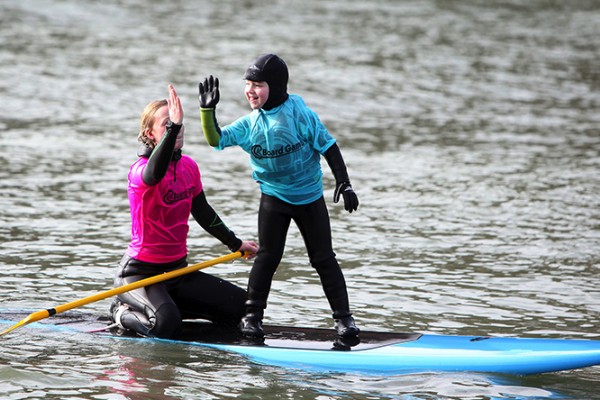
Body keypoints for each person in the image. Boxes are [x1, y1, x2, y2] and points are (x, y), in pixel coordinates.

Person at [198, 54, 360, 339]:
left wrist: (344, 183)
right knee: (267, 257)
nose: (250, 90)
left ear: (275, 86)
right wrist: (207, 112)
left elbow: (329, 146)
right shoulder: (250, 125)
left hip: (309, 197)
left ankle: (344, 320)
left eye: (258, 84)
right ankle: (252, 318)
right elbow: (217, 140)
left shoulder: (300, 115)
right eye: (248, 84)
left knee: (323, 258)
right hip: (274, 197)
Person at [110, 84, 259, 339]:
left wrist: (235, 244)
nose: (177, 129)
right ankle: (121, 311)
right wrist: (174, 127)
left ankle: (168, 311)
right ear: (150, 133)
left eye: (179, 124)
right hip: (139, 275)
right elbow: (154, 174)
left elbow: (203, 212)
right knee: (164, 326)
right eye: (168, 124)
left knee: (245, 307)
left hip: (177, 272)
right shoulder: (140, 171)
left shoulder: (189, 167)